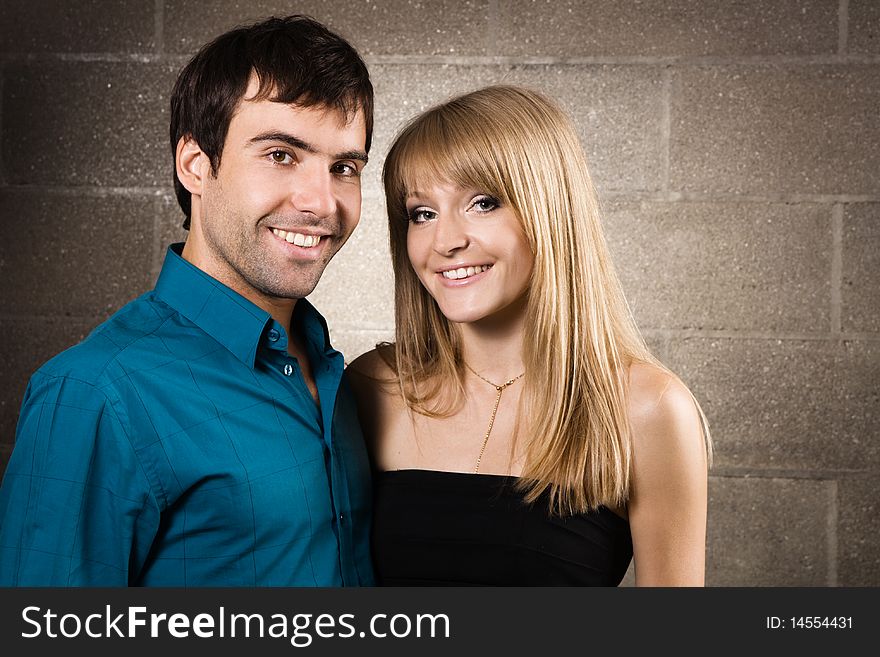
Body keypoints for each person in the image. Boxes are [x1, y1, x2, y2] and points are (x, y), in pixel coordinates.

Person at [0, 15, 375, 586]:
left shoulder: (334, 375)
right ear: (195, 165)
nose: (322, 202)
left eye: (343, 168)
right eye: (280, 154)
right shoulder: (94, 393)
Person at [348, 85, 711, 586]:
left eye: (482, 202)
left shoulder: (647, 408)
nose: (447, 241)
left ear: (551, 210)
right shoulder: (373, 387)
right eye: (422, 213)